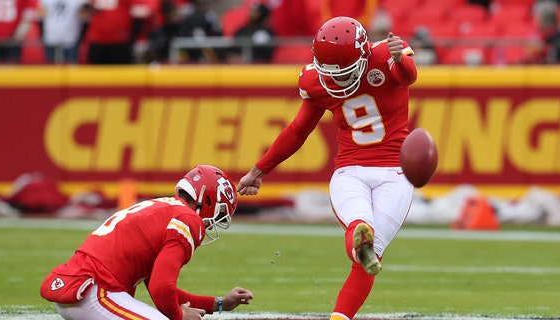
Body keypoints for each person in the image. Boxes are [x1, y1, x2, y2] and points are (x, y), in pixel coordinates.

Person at [237, 16, 417, 320]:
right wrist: (259, 170)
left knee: (363, 240)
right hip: (388, 174)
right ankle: (357, 254)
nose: (338, 79)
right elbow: (298, 131)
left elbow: (407, 75)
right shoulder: (322, 78)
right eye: (331, 72)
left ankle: (359, 245)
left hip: (363, 172)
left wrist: (259, 169)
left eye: (345, 72)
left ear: (363, 55)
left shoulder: (386, 54)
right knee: (367, 252)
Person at [40, 165, 254, 320]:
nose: (214, 223)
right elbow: (162, 288)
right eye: (219, 215)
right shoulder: (188, 219)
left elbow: (159, 288)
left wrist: (219, 303)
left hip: (81, 290)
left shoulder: (163, 208)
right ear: (207, 201)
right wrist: (178, 316)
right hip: (97, 292)